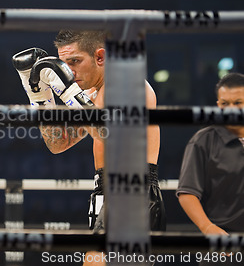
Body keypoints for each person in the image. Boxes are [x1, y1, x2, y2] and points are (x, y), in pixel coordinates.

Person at [13, 30, 165, 265]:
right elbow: (58, 143)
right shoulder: (92, 96)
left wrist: (68, 92)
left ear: (100, 57)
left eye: (74, 62)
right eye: (62, 65)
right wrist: (40, 97)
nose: (68, 73)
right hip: (105, 191)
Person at [177, 72, 244, 266]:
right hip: (222, 247)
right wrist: (208, 228)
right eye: (225, 104)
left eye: (238, 102)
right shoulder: (204, 140)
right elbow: (187, 192)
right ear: (218, 105)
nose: (231, 109)